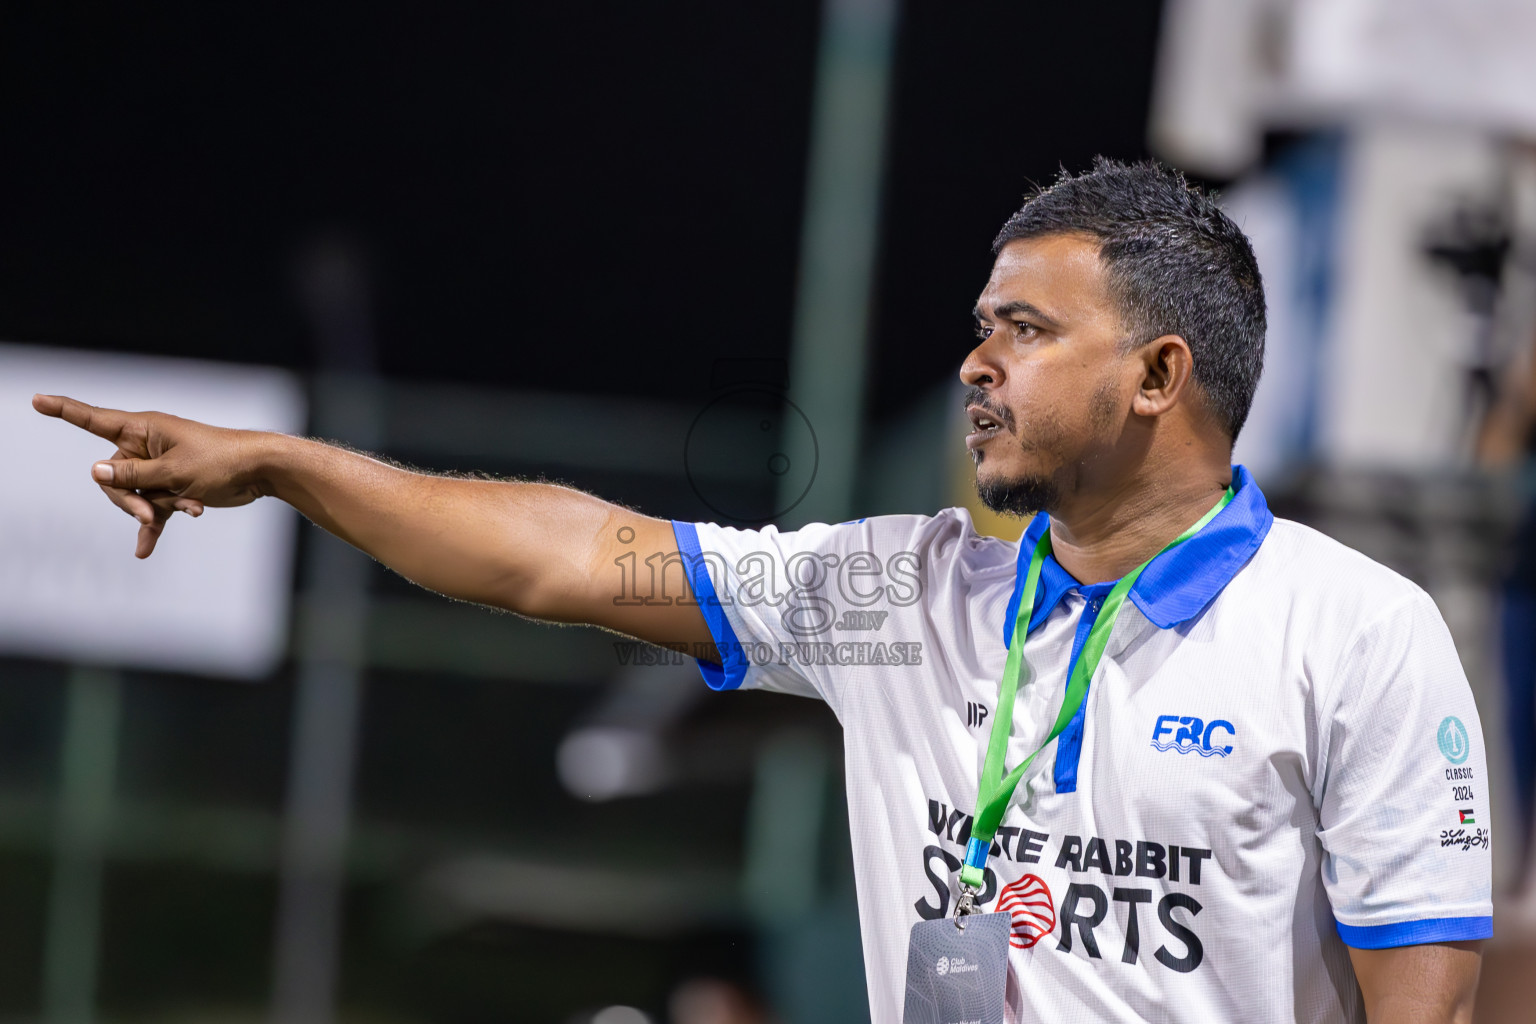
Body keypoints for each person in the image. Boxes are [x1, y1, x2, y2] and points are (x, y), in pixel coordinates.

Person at [35, 159, 1489, 1023]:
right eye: (980, 328)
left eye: (1028, 331)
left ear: (1160, 376)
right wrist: (291, 466)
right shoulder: (899, 595)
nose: (978, 363)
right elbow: (569, 555)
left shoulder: (1354, 634)